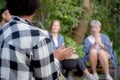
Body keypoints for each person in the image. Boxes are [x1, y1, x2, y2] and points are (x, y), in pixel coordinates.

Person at [0, 0, 74, 80]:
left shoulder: (3, 30)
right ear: (35, 9)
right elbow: (48, 78)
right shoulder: (39, 36)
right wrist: (55, 59)